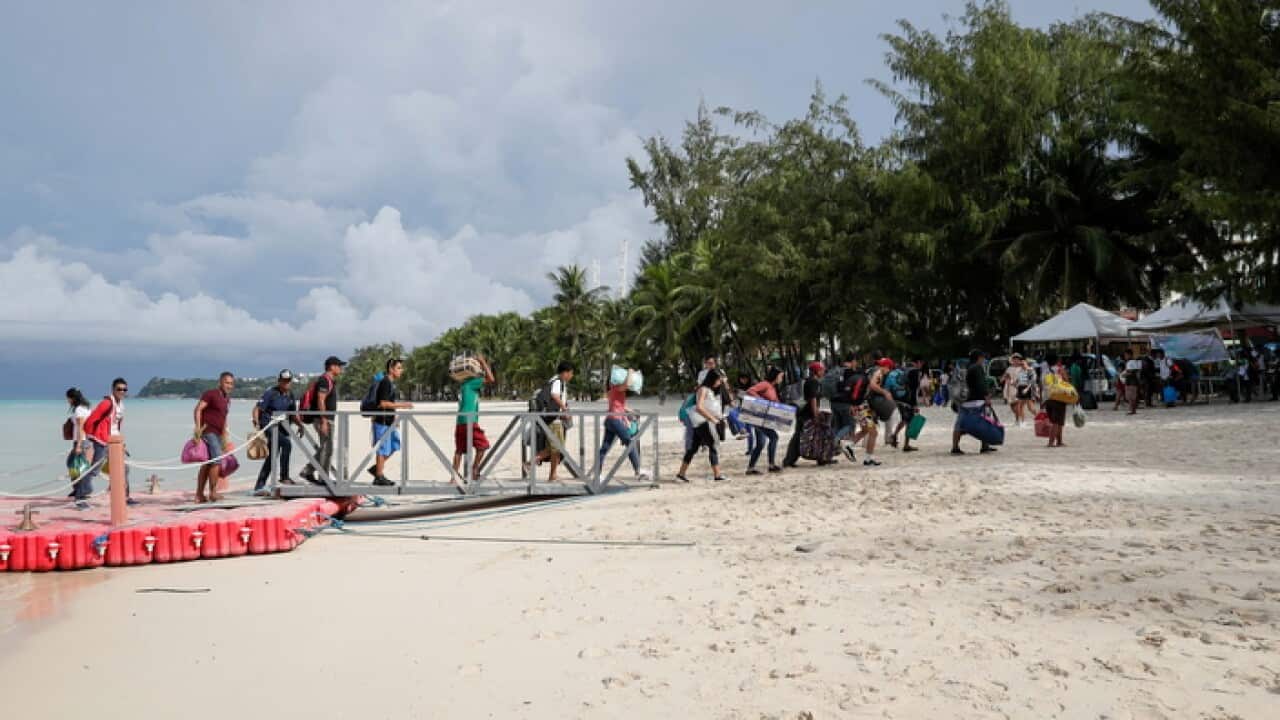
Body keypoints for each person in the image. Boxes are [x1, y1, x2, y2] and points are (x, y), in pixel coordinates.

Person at [82, 378, 136, 505]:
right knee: (95, 469)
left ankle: (125, 497)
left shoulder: (121, 406)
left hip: (114, 442)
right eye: (119, 389)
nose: (122, 392)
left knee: (124, 468)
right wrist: (92, 437)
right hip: (102, 442)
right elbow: (90, 421)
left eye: (124, 389)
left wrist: (121, 443)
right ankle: (81, 496)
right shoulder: (106, 403)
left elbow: (115, 426)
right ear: (113, 389)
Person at [595, 369, 650, 481]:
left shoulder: (613, 390)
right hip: (615, 420)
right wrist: (630, 372)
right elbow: (627, 384)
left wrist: (631, 412)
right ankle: (638, 470)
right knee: (630, 443)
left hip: (610, 420)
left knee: (604, 448)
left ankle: (597, 475)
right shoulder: (616, 388)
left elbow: (620, 406)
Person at [299, 356, 345, 485]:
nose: (341, 368)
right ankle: (322, 477)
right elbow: (321, 400)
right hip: (323, 419)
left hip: (325, 419)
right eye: (339, 366)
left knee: (326, 448)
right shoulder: (324, 381)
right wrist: (324, 420)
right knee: (327, 448)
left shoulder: (329, 381)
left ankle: (310, 471)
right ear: (332, 367)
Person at [252, 370, 299, 495]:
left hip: (282, 428)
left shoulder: (290, 395)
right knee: (287, 444)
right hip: (269, 425)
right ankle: (284, 476)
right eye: (284, 381)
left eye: (288, 381)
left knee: (272, 456)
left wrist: (300, 425)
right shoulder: (271, 393)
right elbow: (257, 409)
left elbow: (293, 414)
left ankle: (259, 485)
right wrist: (256, 423)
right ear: (279, 381)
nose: (286, 383)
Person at [675, 370, 727, 482]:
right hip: (703, 422)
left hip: (701, 422)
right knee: (713, 446)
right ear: (713, 379)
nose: (719, 382)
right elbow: (699, 407)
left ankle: (681, 473)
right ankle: (717, 475)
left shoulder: (710, 390)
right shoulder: (703, 389)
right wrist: (712, 419)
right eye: (718, 380)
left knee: (693, 448)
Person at [371, 358, 413, 486]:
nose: (401, 370)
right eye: (399, 368)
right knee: (382, 449)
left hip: (389, 421)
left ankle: (377, 468)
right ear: (391, 369)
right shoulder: (385, 382)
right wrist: (403, 405)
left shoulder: (390, 383)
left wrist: (394, 418)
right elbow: (383, 403)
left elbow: (389, 403)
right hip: (382, 422)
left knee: (395, 444)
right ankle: (379, 477)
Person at [194, 372, 235, 503]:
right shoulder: (211, 394)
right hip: (208, 431)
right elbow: (198, 409)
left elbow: (224, 418)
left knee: (208, 463)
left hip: (218, 434)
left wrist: (225, 436)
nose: (229, 385)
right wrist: (198, 429)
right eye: (227, 382)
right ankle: (213, 493)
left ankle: (199, 495)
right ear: (220, 382)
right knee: (216, 460)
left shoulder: (227, 399)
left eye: (231, 383)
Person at [453, 355, 495, 482]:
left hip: (460, 421)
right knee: (483, 446)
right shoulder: (472, 382)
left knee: (459, 450)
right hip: (470, 421)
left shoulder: (464, 384)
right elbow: (491, 379)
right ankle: (474, 470)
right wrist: (483, 362)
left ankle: (454, 478)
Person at [782, 361, 828, 468]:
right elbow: (813, 399)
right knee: (800, 436)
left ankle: (821, 458)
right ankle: (789, 460)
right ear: (816, 371)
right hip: (807, 414)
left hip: (804, 413)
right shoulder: (813, 382)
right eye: (821, 370)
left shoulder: (811, 381)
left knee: (812, 435)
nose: (823, 372)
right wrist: (815, 414)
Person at [534, 362, 575, 482]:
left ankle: (553, 475)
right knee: (556, 447)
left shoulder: (554, 381)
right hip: (554, 420)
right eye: (571, 373)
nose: (571, 376)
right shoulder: (557, 382)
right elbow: (555, 395)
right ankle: (530, 463)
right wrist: (565, 409)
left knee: (554, 448)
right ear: (565, 373)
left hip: (553, 419)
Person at [951, 350, 995, 455]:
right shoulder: (977, 367)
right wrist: (987, 397)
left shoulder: (964, 368)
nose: (983, 360)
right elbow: (981, 384)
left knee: (960, 424)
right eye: (983, 358)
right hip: (976, 401)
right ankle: (985, 446)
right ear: (979, 358)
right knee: (984, 422)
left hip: (963, 400)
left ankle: (955, 447)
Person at [744, 367, 785, 475]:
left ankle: (750, 468)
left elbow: (775, 402)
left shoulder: (772, 387)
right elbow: (750, 391)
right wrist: (762, 401)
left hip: (765, 419)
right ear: (775, 376)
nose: (781, 379)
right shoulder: (765, 384)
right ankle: (771, 465)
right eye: (781, 376)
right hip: (759, 417)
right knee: (774, 437)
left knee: (760, 443)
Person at [65, 387, 94, 507]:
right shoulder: (86, 408)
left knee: (78, 467)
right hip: (85, 440)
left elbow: (80, 428)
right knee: (73, 464)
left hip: (81, 441)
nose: (67, 401)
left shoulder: (79, 410)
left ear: (72, 398)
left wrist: (78, 445)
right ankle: (78, 489)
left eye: (68, 398)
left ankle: (82, 494)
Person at [889, 357, 924, 452]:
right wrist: (915, 404)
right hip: (908, 400)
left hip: (899, 398)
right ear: (918, 362)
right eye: (921, 363)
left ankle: (894, 436)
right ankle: (906, 445)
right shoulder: (915, 371)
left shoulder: (904, 369)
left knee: (904, 419)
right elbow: (913, 389)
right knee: (910, 421)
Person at [1042, 354, 1072, 448]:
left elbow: (1041, 384)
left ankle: (1059, 441)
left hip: (1048, 397)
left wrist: (1042, 400)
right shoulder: (1060, 370)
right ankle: (1051, 442)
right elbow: (1066, 381)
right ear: (1057, 361)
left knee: (1054, 421)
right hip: (1059, 397)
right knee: (1057, 421)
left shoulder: (1045, 371)